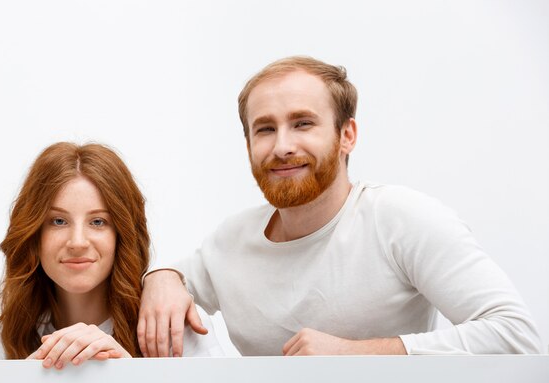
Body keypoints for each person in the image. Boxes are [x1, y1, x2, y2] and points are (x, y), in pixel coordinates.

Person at [137, 56, 542, 357]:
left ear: (347, 135)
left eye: (303, 123)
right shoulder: (231, 240)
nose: (282, 147)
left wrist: (355, 355)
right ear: (248, 145)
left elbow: (515, 335)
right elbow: (176, 278)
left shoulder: (400, 219)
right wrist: (160, 276)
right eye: (265, 129)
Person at [0, 142, 223, 367]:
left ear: (122, 234)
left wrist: (128, 377)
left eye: (97, 221)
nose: (77, 242)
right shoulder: (4, 339)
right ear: (34, 235)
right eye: (58, 221)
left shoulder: (174, 324)